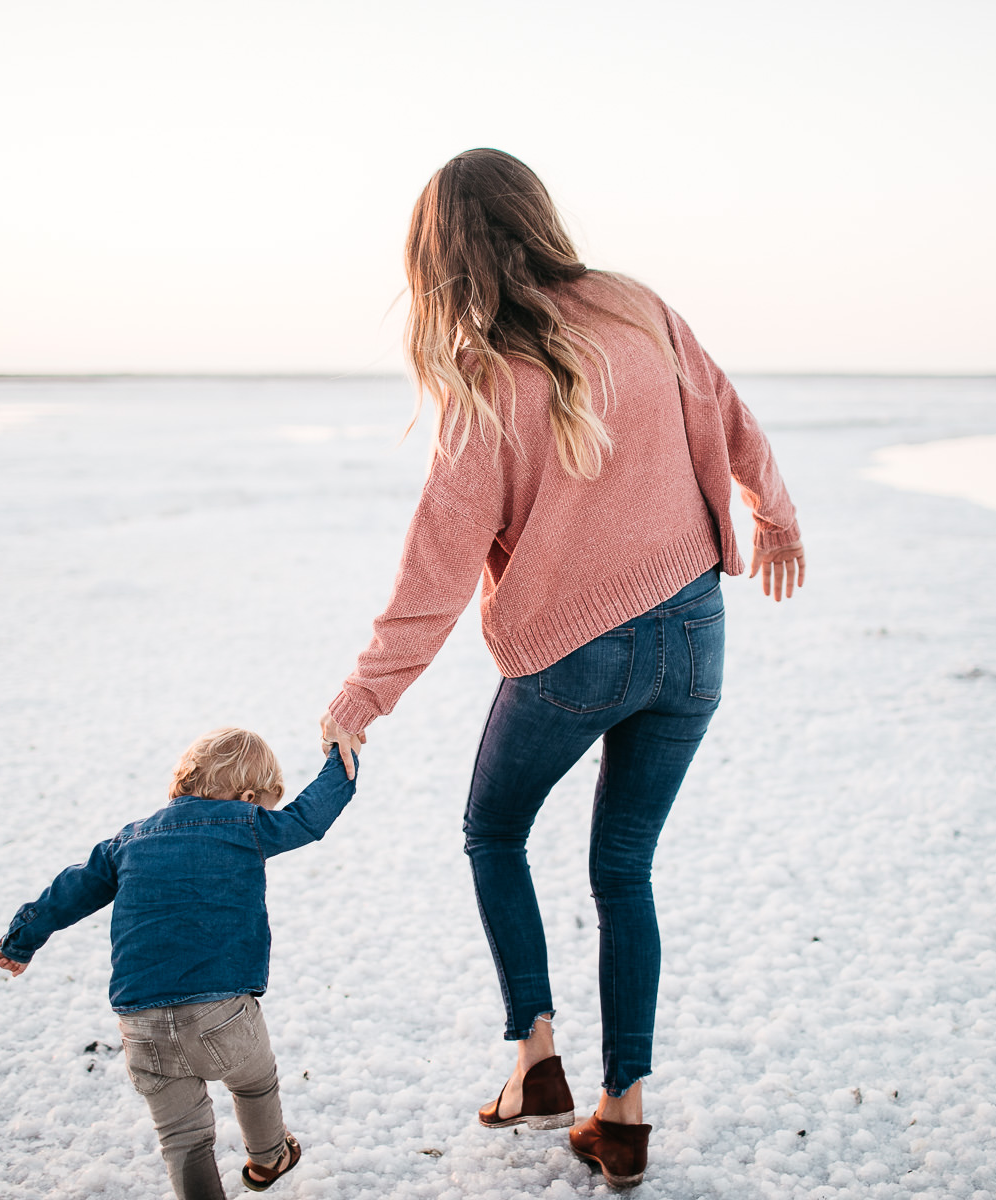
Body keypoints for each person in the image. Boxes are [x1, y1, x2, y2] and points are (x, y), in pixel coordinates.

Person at [318, 149, 805, 1189]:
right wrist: (774, 507)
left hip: (576, 653)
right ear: (537, 215)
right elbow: (726, 412)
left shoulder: (487, 375)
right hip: (693, 634)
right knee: (624, 868)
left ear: (439, 258)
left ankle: (535, 1059)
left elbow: (436, 569)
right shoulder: (637, 306)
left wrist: (366, 697)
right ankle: (621, 1115)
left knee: (493, 831)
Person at [0, 728, 359, 1200]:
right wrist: (341, 759)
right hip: (221, 1014)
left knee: (184, 1140)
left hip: (139, 1025)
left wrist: (19, 941)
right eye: (261, 804)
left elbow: (71, 891)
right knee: (254, 1082)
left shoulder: (126, 841)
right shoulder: (246, 825)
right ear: (248, 797)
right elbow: (309, 817)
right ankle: (268, 1158)